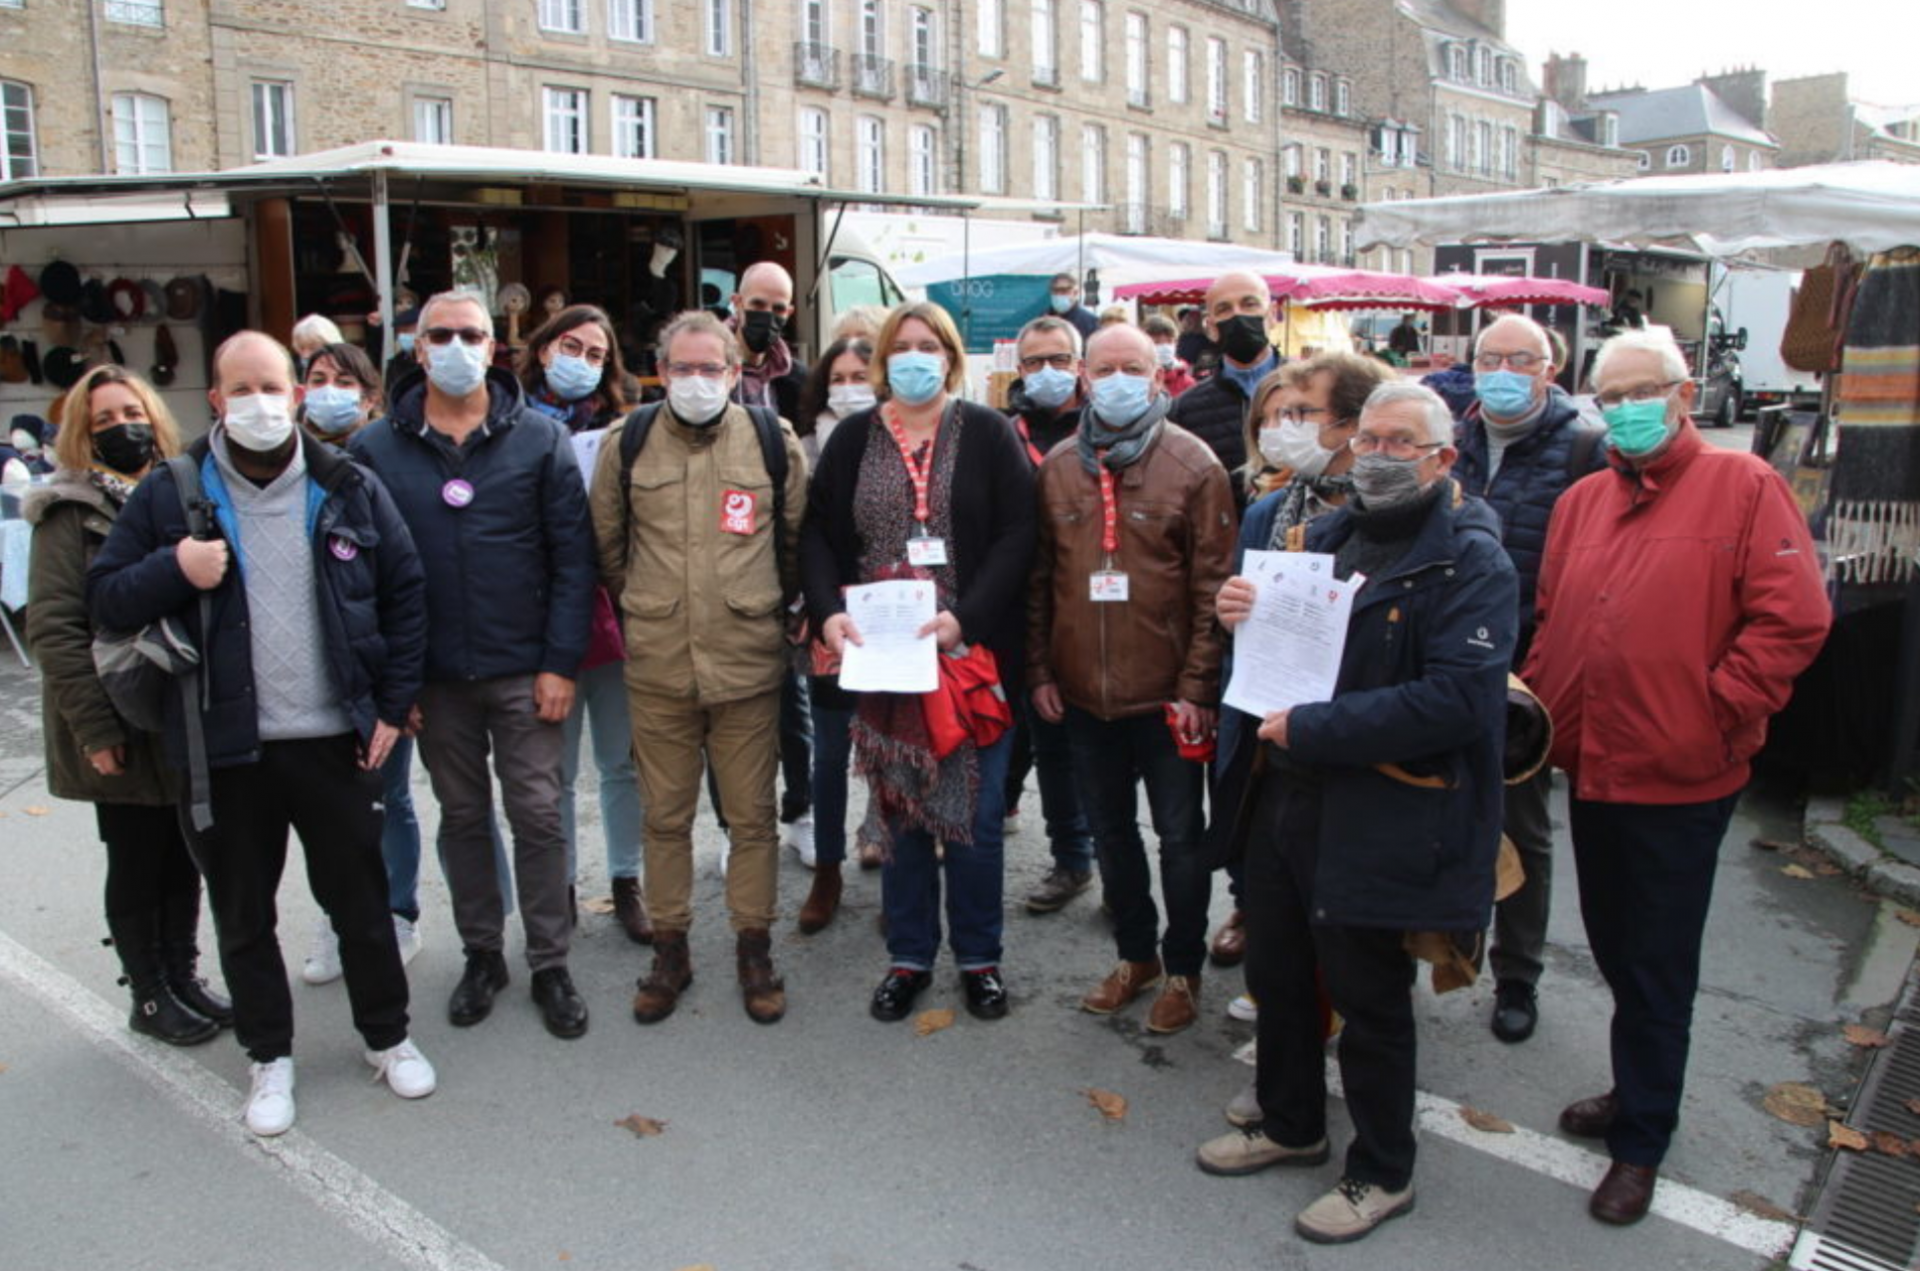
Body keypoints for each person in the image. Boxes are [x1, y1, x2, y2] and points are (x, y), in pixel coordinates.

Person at [89, 331, 436, 1137]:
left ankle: (387, 1036)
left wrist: (391, 705)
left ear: (297, 395)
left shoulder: (346, 483)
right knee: (244, 911)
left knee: (361, 902)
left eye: (272, 386)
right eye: (239, 389)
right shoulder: (170, 493)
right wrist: (176, 564)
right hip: (223, 748)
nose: (258, 403)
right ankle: (268, 1055)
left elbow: (406, 590)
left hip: (332, 741)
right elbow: (104, 598)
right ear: (215, 400)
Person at [1197, 381, 1517, 1244]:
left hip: (1387, 807)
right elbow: (1285, 648)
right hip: (1289, 795)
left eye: (1399, 443)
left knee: (1370, 998)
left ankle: (1383, 1169)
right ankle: (1292, 1122)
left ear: (1443, 459)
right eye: (1367, 438)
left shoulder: (1472, 560)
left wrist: (1317, 725)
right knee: (1283, 973)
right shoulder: (1322, 537)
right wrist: (1241, 615)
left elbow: (1457, 700)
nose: (1376, 456)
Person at [1523, 330, 1830, 1226]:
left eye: (1640, 391)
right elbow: (1552, 617)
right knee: (1619, 947)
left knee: (1657, 964)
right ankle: (1633, 1091)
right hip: (1593, 764)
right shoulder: (1583, 499)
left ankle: (1641, 1139)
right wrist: (1545, 704)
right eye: (1607, 394)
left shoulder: (1745, 485)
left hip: (1681, 773)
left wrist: (1717, 708)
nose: (1622, 407)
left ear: (1683, 394)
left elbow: (1794, 620)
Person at [350, 292, 597, 1041]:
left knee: (537, 813)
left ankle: (550, 960)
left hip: (525, 670)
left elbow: (572, 561)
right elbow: (363, 577)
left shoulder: (539, 439)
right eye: (441, 334)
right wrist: (397, 684)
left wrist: (560, 663)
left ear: (494, 347)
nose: (457, 345)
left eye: (472, 334)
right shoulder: (374, 449)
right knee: (461, 817)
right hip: (433, 678)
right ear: (417, 348)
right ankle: (483, 953)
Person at [802, 301, 1035, 1024]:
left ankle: (979, 959)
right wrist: (828, 613)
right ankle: (908, 957)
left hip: (966, 655)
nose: (913, 357)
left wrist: (966, 618)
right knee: (901, 812)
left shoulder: (990, 433)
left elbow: (1019, 534)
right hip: (885, 659)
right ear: (880, 362)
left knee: (974, 818)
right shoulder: (853, 439)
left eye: (927, 346)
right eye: (899, 346)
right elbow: (816, 531)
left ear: (951, 356)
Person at [589, 309, 807, 1025]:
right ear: (661, 371)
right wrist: (653, 608)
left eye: (709, 368)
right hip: (659, 666)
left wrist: (762, 608)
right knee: (664, 817)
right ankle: (672, 949)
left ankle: (753, 947)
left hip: (747, 664)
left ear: (734, 373)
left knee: (751, 819)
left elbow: (795, 541)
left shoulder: (772, 441)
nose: (694, 381)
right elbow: (609, 548)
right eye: (680, 369)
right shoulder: (630, 442)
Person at [1029, 322, 1235, 1036]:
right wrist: (1041, 671)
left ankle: (1183, 968)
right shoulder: (1057, 466)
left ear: (1158, 376)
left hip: (1167, 697)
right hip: (1085, 696)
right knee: (1112, 834)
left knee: (1181, 837)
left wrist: (1198, 688)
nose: (1117, 379)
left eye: (1133, 368)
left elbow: (1215, 590)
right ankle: (1135, 956)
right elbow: (1040, 583)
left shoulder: (1195, 465)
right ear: (1085, 377)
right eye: (1104, 367)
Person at [25, 366, 229, 1047]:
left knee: (184, 850)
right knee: (138, 856)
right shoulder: (68, 511)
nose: (121, 427)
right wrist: (95, 728)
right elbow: (54, 626)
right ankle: (147, 993)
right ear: (81, 434)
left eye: (129, 411)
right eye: (103, 420)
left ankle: (183, 973)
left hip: (179, 707)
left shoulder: (181, 487)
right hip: (116, 714)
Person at [1211, 350, 1397, 997]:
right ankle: (1287, 1000)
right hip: (1269, 725)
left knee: (1348, 907)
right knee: (1276, 876)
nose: (1283, 427)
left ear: (1350, 424)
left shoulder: (1391, 517)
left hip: (1353, 734)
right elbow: (1237, 614)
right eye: (1276, 414)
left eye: (1300, 413)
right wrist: (1229, 610)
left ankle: (1344, 1000)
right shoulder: (1269, 511)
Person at [1450, 314, 1606, 1045]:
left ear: (1552, 370)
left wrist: (1543, 669)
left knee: (1523, 829)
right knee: (1435, 812)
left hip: (1528, 674)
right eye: (1491, 357)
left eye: (1522, 358)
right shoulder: (1450, 442)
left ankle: (1519, 973)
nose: (1504, 369)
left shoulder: (1584, 449)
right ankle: (1444, 945)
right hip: (1449, 662)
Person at [292, 341, 433, 985]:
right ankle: (340, 918)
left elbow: (404, 580)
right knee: (325, 806)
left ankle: (399, 912)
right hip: (304, 669)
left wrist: (403, 682)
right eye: (316, 379)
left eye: (343, 382)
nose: (327, 391)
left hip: (377, 665)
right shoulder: (281, 466)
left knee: (390, 795)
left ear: (371, 397)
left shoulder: (382, 464)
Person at [516, 304, 651, 946]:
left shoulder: (624, 432)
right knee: (554, 771)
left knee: (621, 762)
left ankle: (627, 880)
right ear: (544, 349)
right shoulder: (508, 426)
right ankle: (560, 886)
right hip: (545, 626)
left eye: (597, 355)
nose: (583, 362)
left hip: (616, 620)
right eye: (573, 346)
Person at [999, 316, 1098, 916]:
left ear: (1079, 364)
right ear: (1018, 369)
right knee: (1024, 732)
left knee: (1078, 745)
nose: (1046, 372)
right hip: (1016, 607)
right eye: (1034, 362)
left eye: (1058, 359)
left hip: (1088, 608)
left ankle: (1089, 859)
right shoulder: (1000, 431)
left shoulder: (1105, 426)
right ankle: (1063, 855)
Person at [788, 334, 880, 934]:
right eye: (838, 378)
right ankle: (828, 867)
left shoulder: (900, 440)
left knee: (895, 745)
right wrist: (816, 607)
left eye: (861, 376)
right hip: (830, 617)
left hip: (896, 617)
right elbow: (804, 536)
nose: (849, 388)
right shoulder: (803, 449)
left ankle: (891, 848)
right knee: (828, 753)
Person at [728, 261, 815, 862]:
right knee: (725, 714)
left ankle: (801, 812)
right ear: (737, 302)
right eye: (759, 304)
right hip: (721, 556)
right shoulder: (710, 369)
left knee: (792, 704)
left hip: (780, 555)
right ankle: (738, 828)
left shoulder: (798, 381)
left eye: (780, 308)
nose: (769, 317)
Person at [1168, 271, 1280, 490]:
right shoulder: (1185, 410)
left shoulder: (1310, 390)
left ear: (1273, 314)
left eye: (1249, 304)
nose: (1237, 316)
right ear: (1210, 327)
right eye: (1224, 309)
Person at [1142, 314, 1197, 396]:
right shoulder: (1137, 381)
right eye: (1156, 342)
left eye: (1169, 341)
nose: (1164, 347)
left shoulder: (1188, 384)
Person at [1045, 273, 1100, 339]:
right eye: (1055, 291)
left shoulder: (1090, 322)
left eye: (1064, 291)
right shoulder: (1043, 319)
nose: (1059, 295)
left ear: (1075, 293)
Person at [1175, 306, 1215, 373]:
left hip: (1197, 375)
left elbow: (1207, 363)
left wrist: (1193, 369)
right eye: (1186, 318)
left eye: (1193, 317)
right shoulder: (1182, 337)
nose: (1189, 321)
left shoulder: (1207, 340)